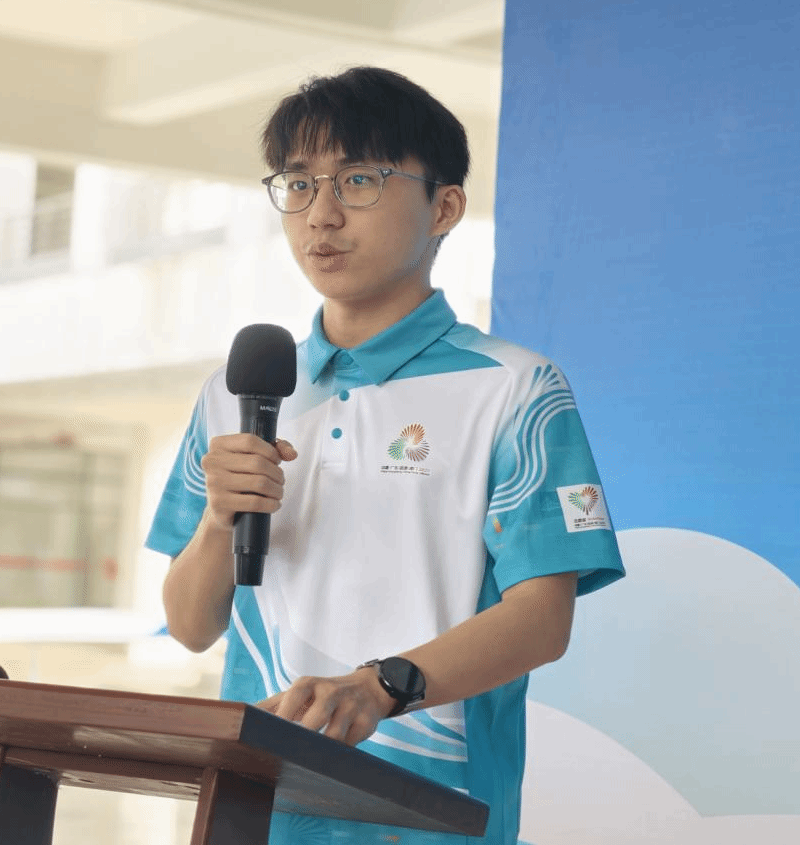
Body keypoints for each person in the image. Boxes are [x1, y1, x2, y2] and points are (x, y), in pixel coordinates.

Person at [145, 66, 625, 844]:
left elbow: (542, 620)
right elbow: (191, 625)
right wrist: (217, 521)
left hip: (429, 812)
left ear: (445, 207)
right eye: (299, 183)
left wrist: (380, 687)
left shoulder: (515, 388)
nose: (321, 214)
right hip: (256, 802)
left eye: (359, 180)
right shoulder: (240, 390)